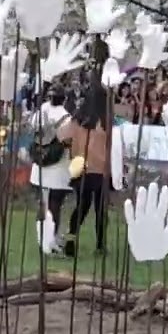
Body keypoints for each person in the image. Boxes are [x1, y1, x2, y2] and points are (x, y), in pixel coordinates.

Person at [59, 87, 112, 257]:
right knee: (100, 209)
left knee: (81, 206)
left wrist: (74, 148)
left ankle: (71, 238)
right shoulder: (105, 121)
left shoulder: (78, 119)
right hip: (100, 169)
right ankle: (100, 244)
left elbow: (61, 135)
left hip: (80, 167)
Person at [29, 86, 73, 245]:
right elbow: (68, 142)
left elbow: (32, 130)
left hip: (39, 166)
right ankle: (51, 239)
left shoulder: (40, 112)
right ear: (65, 99)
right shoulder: (66, 117)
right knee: (55, 204)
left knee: (43, 203)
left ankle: (42, 238)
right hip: (58, 168)